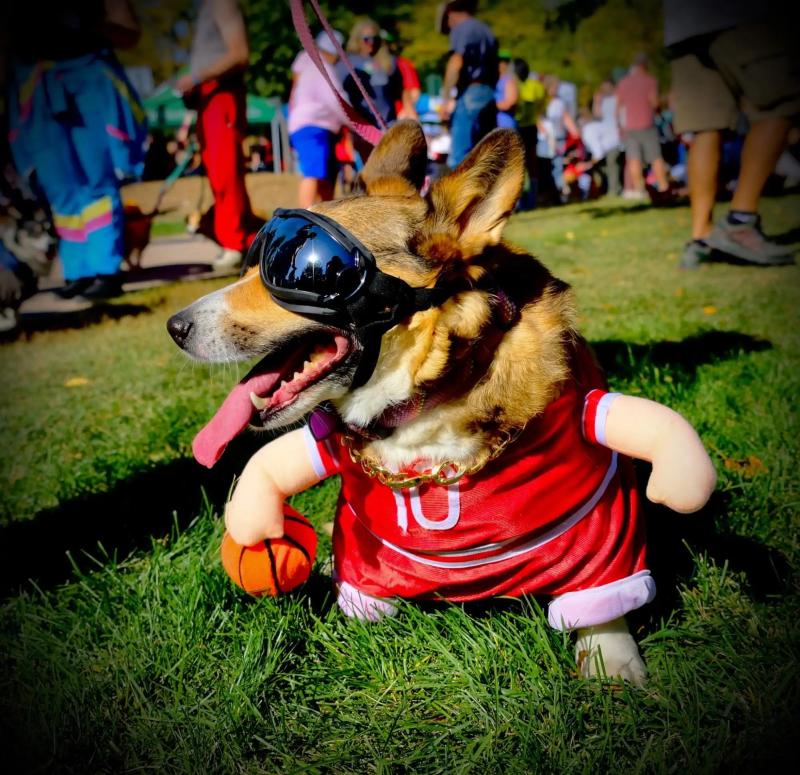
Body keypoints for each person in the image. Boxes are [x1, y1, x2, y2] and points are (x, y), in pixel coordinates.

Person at [6, 0, 147, 300]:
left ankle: (105, 268)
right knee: (59, 187)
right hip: (37, 84)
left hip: (88, 78)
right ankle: (78, 270)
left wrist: (83, 22)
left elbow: (130, 33)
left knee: (97, 180)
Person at [663, 1, 799, 268]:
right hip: (732, 15)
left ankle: (701, 238)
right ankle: (740, 220)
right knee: (781, 103)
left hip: (682, 25)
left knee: (705, 127)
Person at [176, 0, 258, 272]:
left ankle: (236, 243)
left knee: (226, 173)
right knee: (218, 175)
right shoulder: (206, 8)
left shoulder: (223, 3)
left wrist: (196, 78)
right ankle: (239, 239)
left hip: (221, 95)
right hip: (208, 99)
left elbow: (240, 53)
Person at [288, 30, 350, 209]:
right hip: (313, 126)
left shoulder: (305, 62)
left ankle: (322, 214)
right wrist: (354, 122)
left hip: (304, 125)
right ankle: (306, 217)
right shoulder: (323, 68)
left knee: (323, 174)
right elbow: (336, 100)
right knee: (313, 172)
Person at [438, 0, 498, 168]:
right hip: (488, 92)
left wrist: (445, 99)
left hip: (470, 92)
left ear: (450, 14)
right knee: (485, 155)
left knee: (460, 157)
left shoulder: (462, 29)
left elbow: (456, 61)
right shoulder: (486, 30)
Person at [340, 18, 403, 165]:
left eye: (375, 38)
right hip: (364, 126)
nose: (371, 43)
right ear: (357, 40)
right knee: (369, 167)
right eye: (366, 39)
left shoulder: (388, 61)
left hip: (388, 125)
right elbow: (342, 92)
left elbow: (400, 91)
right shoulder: (348, 62)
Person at [615, 53, 670, 200]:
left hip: (628, 127)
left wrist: (619, 126)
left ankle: (640, 189)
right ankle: (663, 186)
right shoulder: (650, 81)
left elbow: (618, 107)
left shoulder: (623, 82)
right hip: (646, 124)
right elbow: (654, 102)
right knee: (655, 157)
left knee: (633, 159)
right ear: (645, 65)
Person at [513, 59, 547, 209]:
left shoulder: (514, 85)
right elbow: (542, 102)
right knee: (532, 165)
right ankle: (532, 200)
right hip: (531, 127)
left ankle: (521, 201)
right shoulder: (536, 86)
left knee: (517, 165)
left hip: (518, 126)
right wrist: (537, 115)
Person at [582, 79, 622, 195]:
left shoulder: (618, 99)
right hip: (607, 138)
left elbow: (597, 153)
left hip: (615, 137)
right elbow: (597, 115)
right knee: (605, 165)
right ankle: (606, 189)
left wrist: (588, 164)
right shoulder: (603, 101)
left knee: (612, 164)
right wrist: (596, 101)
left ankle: (614, 190)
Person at [381, 31, 421, 121]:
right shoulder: (367, 65)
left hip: (396, 117)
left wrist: (406, 112)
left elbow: (414, 91)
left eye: (384, 43)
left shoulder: (402, 64)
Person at [495, 50, 519, 129]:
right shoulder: (495, 80)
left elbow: (510, 103)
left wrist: (491, 106)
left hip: (505, 124)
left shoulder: (509, 81)